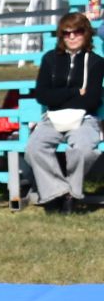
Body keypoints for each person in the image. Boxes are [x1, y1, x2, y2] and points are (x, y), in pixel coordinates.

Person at [26, 11, 104, 213]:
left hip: (85, 118)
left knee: (83, 150)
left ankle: (72, 194)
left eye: (76, 32)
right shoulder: (50, 59)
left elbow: (92, 99)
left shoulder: (95, 62)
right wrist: (74, 92)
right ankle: (58, 192)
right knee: (34, 148)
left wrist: (60, 95)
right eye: (66, 33)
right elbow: (42, 95)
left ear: (85, 33)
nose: (71, 37)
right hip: (52, 118)